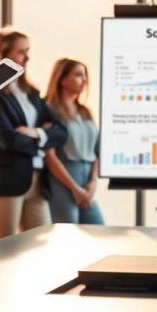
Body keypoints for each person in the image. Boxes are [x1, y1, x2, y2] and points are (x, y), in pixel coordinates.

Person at [0, 29, 68, 240]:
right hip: (5, 179)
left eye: (28, 51)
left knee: (43, 243)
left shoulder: (31, 93)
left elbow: (62, 132)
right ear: (2, 54)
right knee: (4, 246)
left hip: (36, 179)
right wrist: (43, 139)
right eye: (21, 51)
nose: (27, 57)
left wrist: (35, 133)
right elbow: (8, 139)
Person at [43, 58, 104, 224]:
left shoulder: (85, 111)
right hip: (63, 182)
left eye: (85, 75)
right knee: (68, 233)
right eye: (78, 75)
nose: (84, 80)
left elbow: (97, 150)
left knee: (98, 228)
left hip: (87, 181)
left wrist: (93, 182)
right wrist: (74, 189)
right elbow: (49, 156)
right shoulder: (49, 110)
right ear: (62, 79)